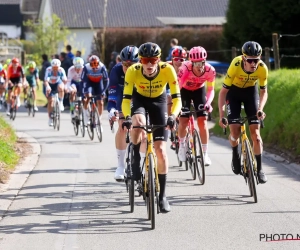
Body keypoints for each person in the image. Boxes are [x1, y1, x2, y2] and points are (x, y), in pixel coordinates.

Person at [122, 42, 182, 213]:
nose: (149, 64)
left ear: (159, 60)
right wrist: (127, 117)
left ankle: (162, 196)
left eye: (153, 60)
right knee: (138, 124)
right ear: (140, 60)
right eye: (145, 60)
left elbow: (177, 98)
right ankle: (134, 154)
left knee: (161, 151)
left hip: (159, 102)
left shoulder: (167, 69)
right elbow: (126, 100)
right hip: (140, 100)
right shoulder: (133, 71)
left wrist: (173, 116)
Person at [218, 41, 268, 184]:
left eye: (256, 60)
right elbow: (223, 93)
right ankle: (235, 154)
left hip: (250, 94)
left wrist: (260, 109)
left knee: (256, 136)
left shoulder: (262, 68)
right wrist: (222, 117)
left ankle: (259, 169)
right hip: (233, 94)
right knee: (235, 132)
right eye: (250, 60)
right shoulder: (235, 64)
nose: (254, 64)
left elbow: (264, 91)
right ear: (244, 58)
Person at [107, 45, 142, 181]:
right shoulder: (116, 71)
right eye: (125, 64)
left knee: (143, 128)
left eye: (132, 64)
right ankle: (120, 166)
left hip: (140, 97)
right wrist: (111, 109)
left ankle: (145, 160)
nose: (128, 67)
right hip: (123, 97)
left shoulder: (143, 71)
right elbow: (113, 93)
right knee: (122, 126)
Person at [177, 46, 216, 166]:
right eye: (196, 63)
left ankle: (205, 154)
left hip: (199, 91)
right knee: (183, 120)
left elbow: (211, 89)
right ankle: (182, 146)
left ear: (205, 61)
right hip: (184, 91)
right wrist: (177, 104)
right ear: (191, 62)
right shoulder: (185, 69)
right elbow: (177, 88)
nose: (199, 66)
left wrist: (208, 103)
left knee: (203, 121)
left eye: (201, 63)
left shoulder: (210, 70)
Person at [81, 55, 109, 131]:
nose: (94, 67)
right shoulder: (86, 67)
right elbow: (83, 81)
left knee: (101, 102)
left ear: (99, 63)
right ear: (89, 63)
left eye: (96, 64)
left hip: (98, 84)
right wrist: (84, 92)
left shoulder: (102, 67)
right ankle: (85, 115)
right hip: (89, 83)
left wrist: (104, 91)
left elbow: (106, 80)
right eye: (92, 64)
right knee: (88, 97)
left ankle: (99, 121)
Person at [44, 59, 67, 126]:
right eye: (54, 67)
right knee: (50, 101)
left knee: (61, 87)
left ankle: (61, 102)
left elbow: (64, 80)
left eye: (56, 67)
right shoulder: (48, 70)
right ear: (51, 67)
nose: (55, 69)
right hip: (50, 84)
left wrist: (64, 85)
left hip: (57, 82)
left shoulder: (61, 70)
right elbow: (46, 80)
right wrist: (47, 86)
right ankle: (50, 118)